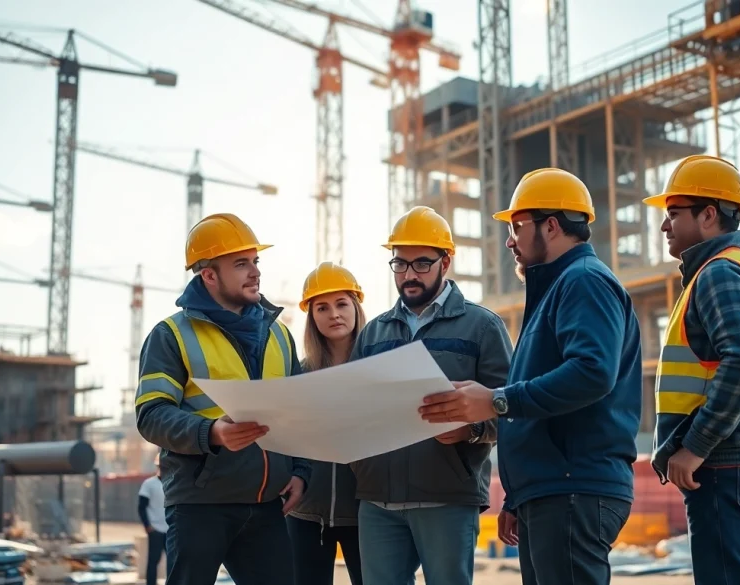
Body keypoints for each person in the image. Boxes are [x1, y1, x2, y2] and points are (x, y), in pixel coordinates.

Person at [420, 168, 643, 585]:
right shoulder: (557, 290)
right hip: (554, 490)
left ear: (552, 226)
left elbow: (592, 373)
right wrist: (520, 496)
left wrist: (496, 399)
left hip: (574, 489)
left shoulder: (584, 281)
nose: (510, 240)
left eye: (517, 227)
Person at [134, 212, 311, 585]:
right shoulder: (171, 335)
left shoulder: (279, 336)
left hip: (266, 506)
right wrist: (211, 432)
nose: (255, 272)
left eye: (255, 261)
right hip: (200, 505)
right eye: (241, 264)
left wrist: (300, 472)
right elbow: (151, 414)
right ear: (209, 275)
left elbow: (297, 412)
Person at [642, 155, 740, 585]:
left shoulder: (720, 273)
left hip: (727, 460)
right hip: (738, 458)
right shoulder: (730, 272)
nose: (665, 225)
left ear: (709, 215)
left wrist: (696, 445)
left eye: (674, 213)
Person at [348, 205, 513, 585]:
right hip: (378, 500)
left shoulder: (482, 327)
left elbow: (510, 409)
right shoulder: (373, 333)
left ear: (446, 261)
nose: (409, 275)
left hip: (447, 497)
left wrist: (469, 431)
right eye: (400, 264)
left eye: (421, 263)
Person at [286, 261, 367, 585]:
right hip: (305, 514)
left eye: (341, 304)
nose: (333, 313)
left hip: (366, 512)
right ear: (311, 316)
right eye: (322, 307)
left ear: (356, 308)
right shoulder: (298, 375)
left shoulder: (380, 369)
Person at [138, 453, 167, 585]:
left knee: (174, 562)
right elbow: (141, 507)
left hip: (170, 529)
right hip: (155, 529)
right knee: (153, 561)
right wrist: (148, 526)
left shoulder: (173, 484)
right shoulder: (149, 484)